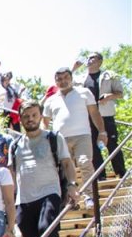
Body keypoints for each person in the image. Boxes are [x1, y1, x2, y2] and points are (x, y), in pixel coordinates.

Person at [11, 101, 79, 237]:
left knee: (46, 228)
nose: (30, 119)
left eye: (34, 115)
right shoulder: (15, 145)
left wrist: (72, 185)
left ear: (40, 115)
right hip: (23, 199)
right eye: (26, 116)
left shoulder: (54, 138)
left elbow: (66, 163)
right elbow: (11, 175)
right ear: (21, 119)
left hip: (49, 191)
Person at [43, 67, 108, 208]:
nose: (63, 81)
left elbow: (94, 113)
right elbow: (45, 122)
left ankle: (89, 196)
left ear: (71, 78)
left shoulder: (84, 93)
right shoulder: (50, 100)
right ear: (55, 81)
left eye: (66, 78)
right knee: (64, 170)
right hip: (60, 139)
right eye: (59, 79)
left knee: (85, 162)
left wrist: (102, 132)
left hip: (82, 135)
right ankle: (70, 199)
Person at [75, 52, 126, 179]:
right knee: (93, 146)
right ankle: (100, 176)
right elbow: (65, 84)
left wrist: (110, 96)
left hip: (106, 116)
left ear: (100, 61)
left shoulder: (109, 76)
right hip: (88, 118)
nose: (89, 60)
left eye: (92, 57)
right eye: (88, 58)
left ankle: (121, 173)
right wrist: (73, 68)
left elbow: (120, 93)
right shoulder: (80, 78)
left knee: (112, 144)